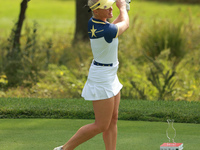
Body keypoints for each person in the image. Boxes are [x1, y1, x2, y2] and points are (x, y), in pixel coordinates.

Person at [54, 0, 129, 149]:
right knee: (101, 125)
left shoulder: (96, 23)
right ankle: (64, 148)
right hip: (102, 78)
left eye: (111, 6)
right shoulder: (106, 30)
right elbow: (125, 23)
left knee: (113, 118)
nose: (110, 10)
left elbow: (116, 24)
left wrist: (124, 8)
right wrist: (123, 7)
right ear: (96, 11)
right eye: (106, 7)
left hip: (110, 74)